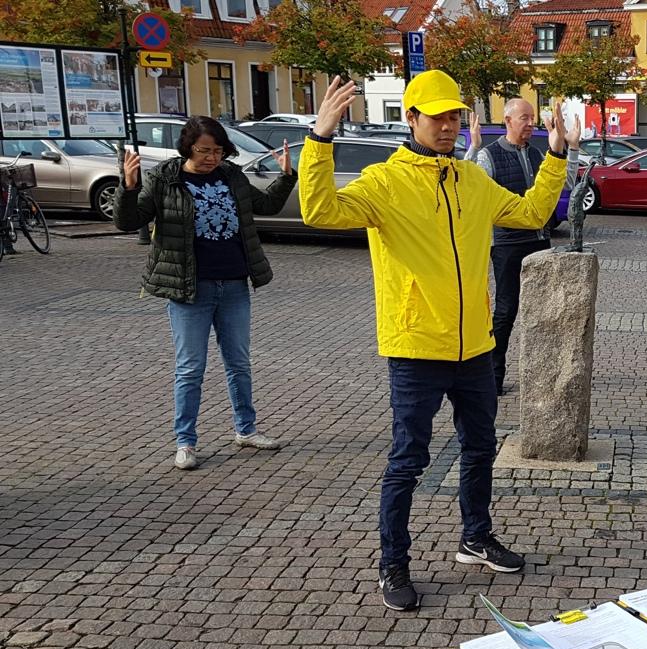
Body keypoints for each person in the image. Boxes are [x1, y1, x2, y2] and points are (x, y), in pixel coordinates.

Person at [297, 72, 570, 611]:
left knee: (479, 447)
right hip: (417, 345)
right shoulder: (384, 182)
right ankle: (392, 564)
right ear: (412, 118)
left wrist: (555, 155)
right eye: (436, 117)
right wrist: (320, 140)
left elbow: (532, 213)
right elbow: (320, 211)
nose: (447, 126)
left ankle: (475, 538)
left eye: (453, 116)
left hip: (474, 346)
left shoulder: (470, 179)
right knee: (408, 460)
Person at [113, 116, 295, 470]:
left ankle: (246, 430)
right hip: (188, 288)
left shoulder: (231, 176)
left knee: (239, 363)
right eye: (204, 150)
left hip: (234, 285)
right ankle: (186, 442)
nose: (212, 157)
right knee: (190, 368)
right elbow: (128, 220)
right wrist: (129, 184)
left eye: (218, 150)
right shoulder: (165, 179)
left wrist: (286, 176)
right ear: (188, 147)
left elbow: (266, 206)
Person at [465, 99, 582, 395]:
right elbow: (470, 190)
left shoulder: (537, 153)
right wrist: (475, 146)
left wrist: (572, 147)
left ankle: (544, 376)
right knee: (506, 311)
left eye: (533, 118)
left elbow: (565, 182)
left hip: (538, 241)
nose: (531, 123)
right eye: (524, 118)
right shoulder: (489, 156)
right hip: (506, 244)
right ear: (508, 120)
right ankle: (493, 377)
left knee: (545, 311)